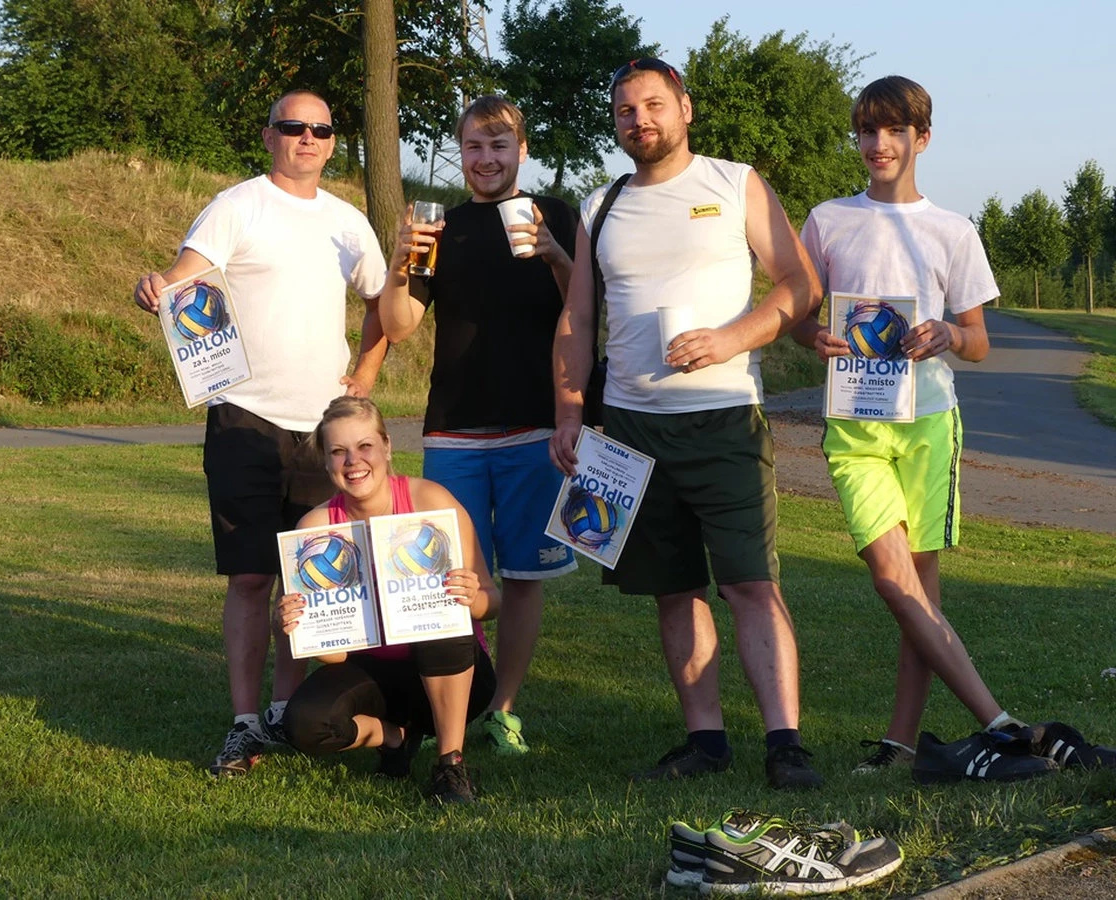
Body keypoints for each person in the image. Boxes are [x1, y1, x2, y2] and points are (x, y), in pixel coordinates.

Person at [549, 58, 825, 789]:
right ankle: (706, 741)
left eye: (653, 105)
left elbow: (800, 285)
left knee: (750, 584)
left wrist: (732, 338)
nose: (639, 120)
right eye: (625, 111)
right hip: (630, 430)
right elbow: (578, 317)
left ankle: (786, 745)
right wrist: (570, 412)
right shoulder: (601, 203)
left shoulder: (733, 183)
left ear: (685, 108)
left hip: (724, 419)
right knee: (673, 589)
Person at [792, 75, 1055, 780]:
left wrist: (947, 335)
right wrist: (814, 336)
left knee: (921, 595)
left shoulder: (952, 229)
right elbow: (798, 316)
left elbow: (979, 341)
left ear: (923, 139)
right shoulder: (827, 220)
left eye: (894, 131)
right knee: (892, 581)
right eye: (867, 131)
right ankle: (1002, 725)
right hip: (854, 427)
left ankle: (901, 746)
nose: (878, 144)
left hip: (929, 423)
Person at [133, 89, 389, 777]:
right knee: (250, 578)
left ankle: (283, 711)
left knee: (307, 579)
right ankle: (245, 723)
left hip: (324, 429)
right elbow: (182, 278)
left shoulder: (349, 223)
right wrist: (156, 286)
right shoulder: (237, 205)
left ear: (333, 143)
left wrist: (364, 376)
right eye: (293, 126)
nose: (307, 138)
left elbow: (382, 305)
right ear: (270, 136)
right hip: (244, 417)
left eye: (321, 130)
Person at [377, 95, 577, 756]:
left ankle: (502, 709)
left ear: (522, 150)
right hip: (453, 431)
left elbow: (586, 311)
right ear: (460, 153)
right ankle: (448, 710)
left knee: (521, 577)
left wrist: (555, 254)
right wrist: (402, 261)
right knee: (448, 578)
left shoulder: (557, 216)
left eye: (498, 145)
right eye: (473, 147)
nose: (486, 158)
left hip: (535, 429)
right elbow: (400, 326)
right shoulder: (441, 227)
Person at [275, 397, 500, 803]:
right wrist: (300, 625)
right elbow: (333, 656)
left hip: (455, 671)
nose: (353, 462)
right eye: (338, 451)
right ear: (325, 462)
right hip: (374, 675)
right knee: (305, 723)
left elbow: (492, 602)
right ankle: (395, 738)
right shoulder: (316, 530)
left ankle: (450, 764)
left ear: (387, 447)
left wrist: (471, 597)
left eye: (365, 446)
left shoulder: (432, 501)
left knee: (436, 624)